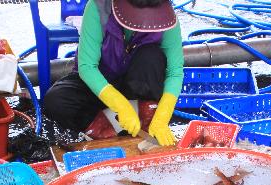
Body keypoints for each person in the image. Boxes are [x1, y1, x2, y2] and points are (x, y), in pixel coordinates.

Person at [43, 0, 184, 146]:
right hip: (99, 82)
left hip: (137, 84)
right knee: (55, 100)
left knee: (151, 56)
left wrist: (163, 116)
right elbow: (87, 67)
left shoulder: (167, 17)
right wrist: (119, 104)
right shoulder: (98, 7)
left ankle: (149, 122)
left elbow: (175, 72)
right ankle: (104, 130)